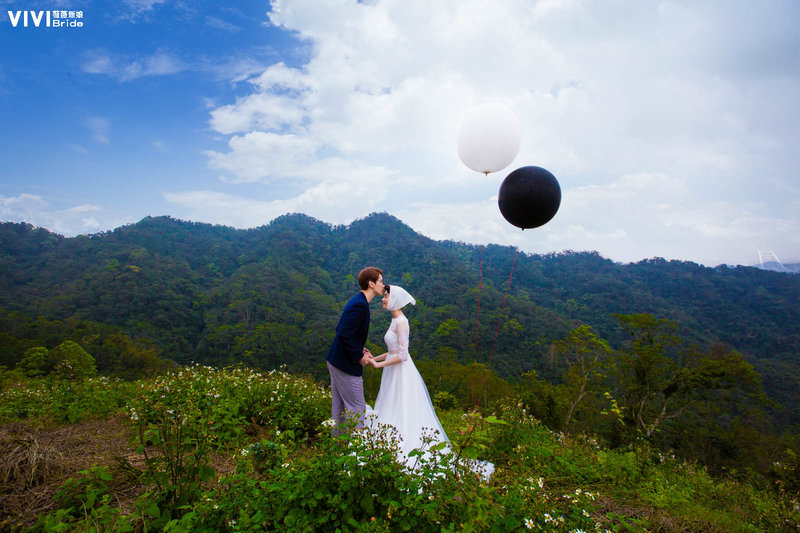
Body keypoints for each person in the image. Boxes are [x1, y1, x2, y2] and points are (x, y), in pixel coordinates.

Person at [365, 284, 494, 477]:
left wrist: (378, 365)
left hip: (400, 371)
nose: (382, 299)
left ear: (394, 300)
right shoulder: (394, 321)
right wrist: (375, 358)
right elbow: (392, 351)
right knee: (390, 406)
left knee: (401, 407)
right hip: (392, 370)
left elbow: (403, 355)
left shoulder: (401, 322)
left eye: (385, 297)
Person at [326, 267, 384, 435]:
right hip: (345, 364)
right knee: (357, 408)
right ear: (371, 284)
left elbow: (344, 330)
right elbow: (343, 333)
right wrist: (359, 356)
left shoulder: (358, 301)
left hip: (336, 360)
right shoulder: (360, 305)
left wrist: (359, 348)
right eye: (380, 281)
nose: (383, 284)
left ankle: (337, 449)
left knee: (340, 409)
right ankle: (355, 454)